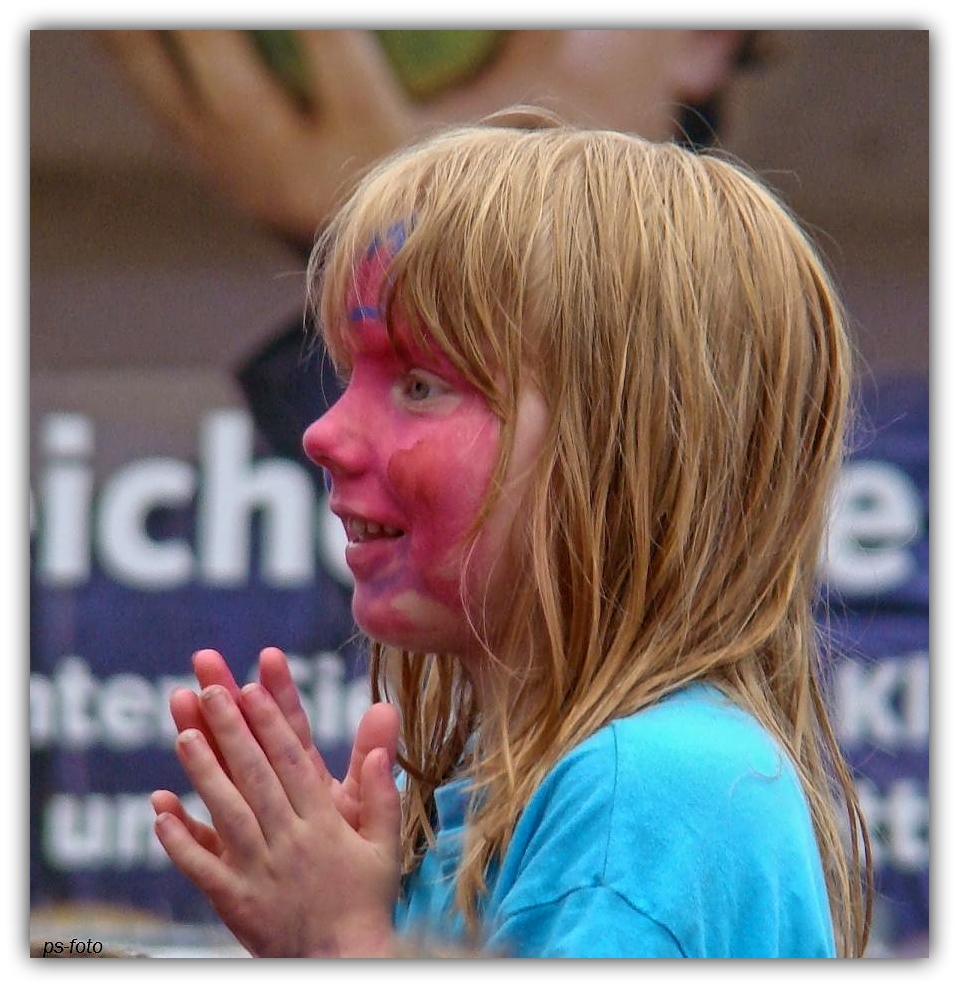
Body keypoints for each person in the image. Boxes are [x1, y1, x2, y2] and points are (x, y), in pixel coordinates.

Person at [149, 114, 873, 958]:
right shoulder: (534, 794)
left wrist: (339, 945)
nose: (324, 434)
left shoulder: (640, 798)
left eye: (420, 384)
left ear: (620, 449)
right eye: (350, 377)